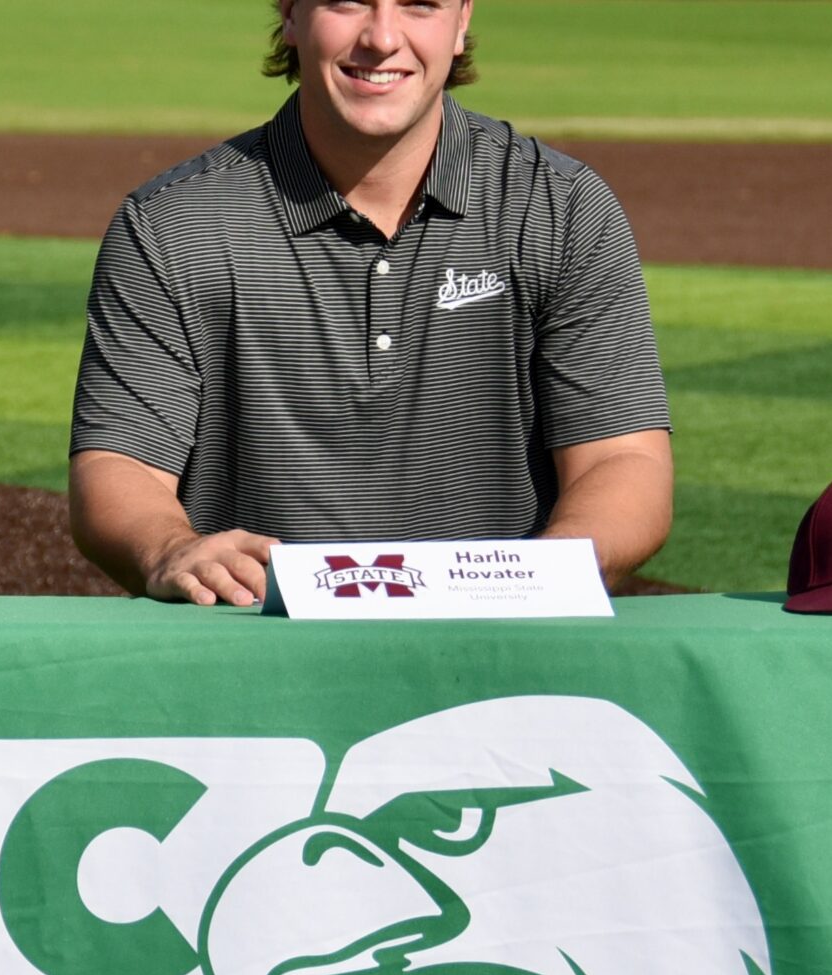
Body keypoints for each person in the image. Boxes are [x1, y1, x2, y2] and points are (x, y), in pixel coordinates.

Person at [69, 0, 671, 606]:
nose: (382, 37)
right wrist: (169, 548)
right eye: (347, 2)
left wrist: (540, 577)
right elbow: (120, 466)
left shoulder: (560, 208)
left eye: (418, 6)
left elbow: (622, 459)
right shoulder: (174, 222)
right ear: (290, 13)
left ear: (461, 20)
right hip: (250, 644)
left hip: (497, 651)